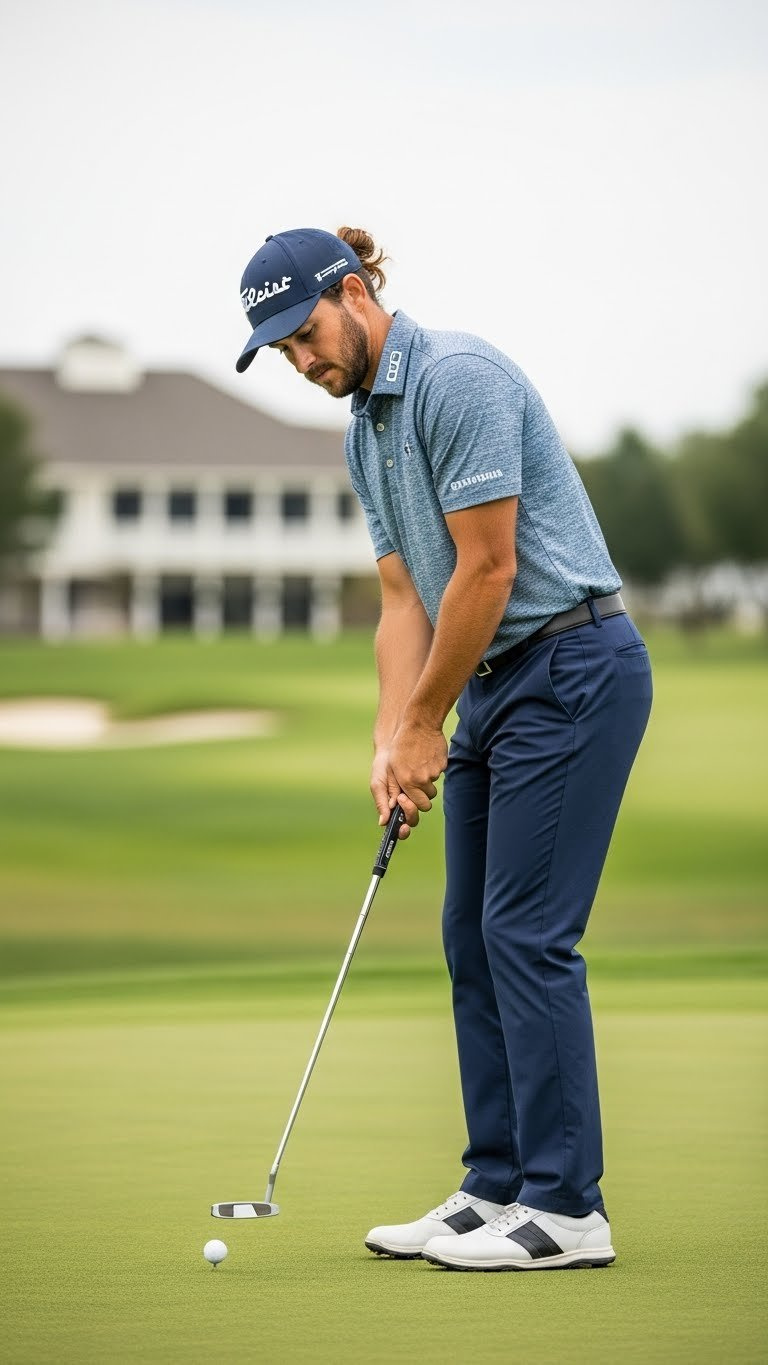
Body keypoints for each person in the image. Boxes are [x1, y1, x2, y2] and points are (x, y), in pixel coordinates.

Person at [235, 226, 653, 1272]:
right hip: (491, 685)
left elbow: (488, 571)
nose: (302, 360)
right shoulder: (359, 430)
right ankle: (496, 1184)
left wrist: (427, 720)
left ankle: (567, 1211)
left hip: (572, 666)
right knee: (468, 934)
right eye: (281, 351)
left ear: (354, 293)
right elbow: (401, 595)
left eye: (305, 332)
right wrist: (394, 732)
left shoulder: (455, 379)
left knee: (525, 934)